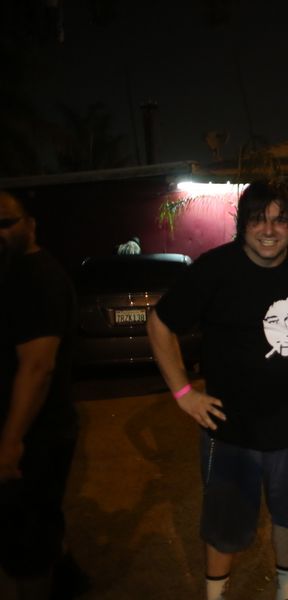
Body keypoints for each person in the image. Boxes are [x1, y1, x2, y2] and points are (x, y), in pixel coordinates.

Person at [147, 181, 288, 600]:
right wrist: (183, 393)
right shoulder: (214, 269)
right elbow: (160, 323)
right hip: (229, 428)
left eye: (281, 220)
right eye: (258, 219)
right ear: (242, 223)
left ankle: (286, 593)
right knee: (224, 527)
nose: (269, 230)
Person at [0, 190, 79, 599]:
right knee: (38, 522)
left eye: (5, 222)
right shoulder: (14, 272)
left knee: (24, 541)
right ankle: (67, 578)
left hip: (37, 433)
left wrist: (10, 442)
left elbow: (37, 367)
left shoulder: (39, 278)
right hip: (34, 430)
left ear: (30, 225)